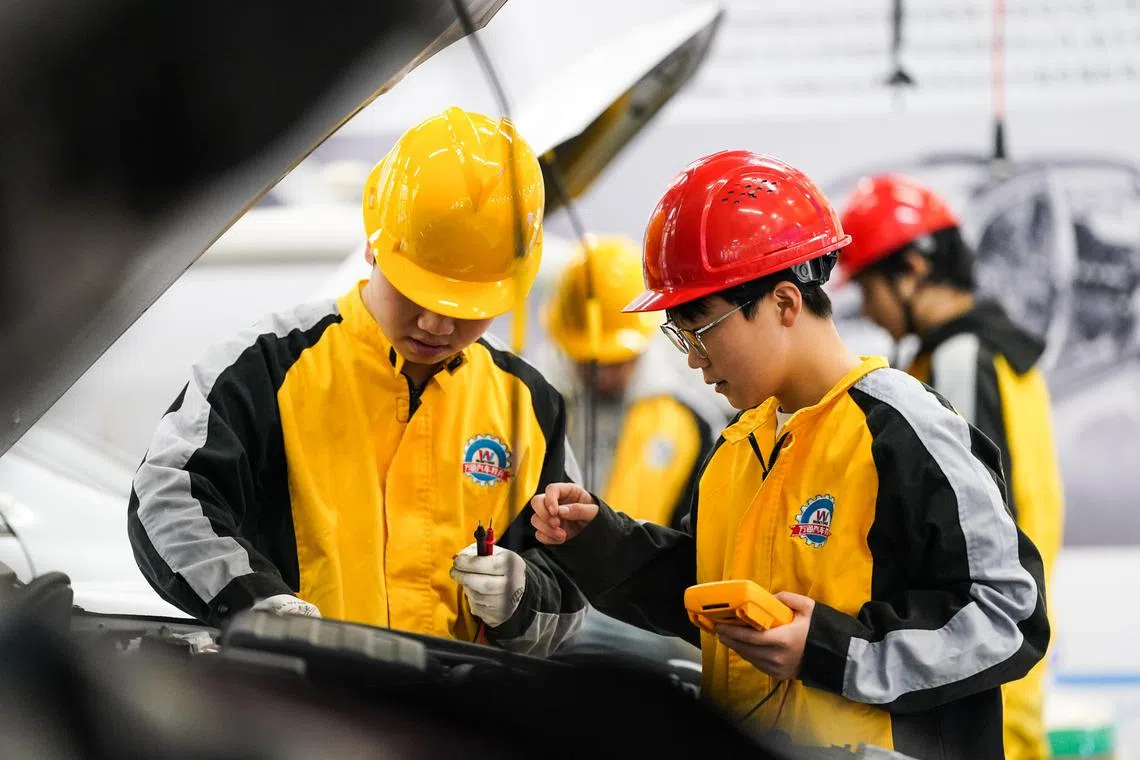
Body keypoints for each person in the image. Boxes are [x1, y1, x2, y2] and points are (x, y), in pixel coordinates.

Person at [512, 151, 1050, 757]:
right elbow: (709, 595)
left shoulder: (904, 430)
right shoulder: (740, 446)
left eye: (703, 328)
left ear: (785, 304)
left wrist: (829, 649)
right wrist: (597, 539)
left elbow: (1007, 614)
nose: (693, 357)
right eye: (679, 335)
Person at [127, 106, 587, 653]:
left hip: (456, 720)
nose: (437, 324)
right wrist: (259, 606)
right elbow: (169, 497)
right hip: (304, 714)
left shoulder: (528, 405)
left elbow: (573, 584)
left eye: (468, 306)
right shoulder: (265, 370)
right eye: (416, 292)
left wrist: (522, 599)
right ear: (374, 244)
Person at [837, 173, 1065, 760]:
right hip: (1004, 635)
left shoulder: (962, 359)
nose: (868, 307)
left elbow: (975, 519)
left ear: (911, 268)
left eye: (869, 285)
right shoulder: (994, 350)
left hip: (982, 646)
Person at [542, 235, 725, 528]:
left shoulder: (691, 425)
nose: (602, 375)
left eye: (615, 362)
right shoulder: (539, 409)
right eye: (589, 363)